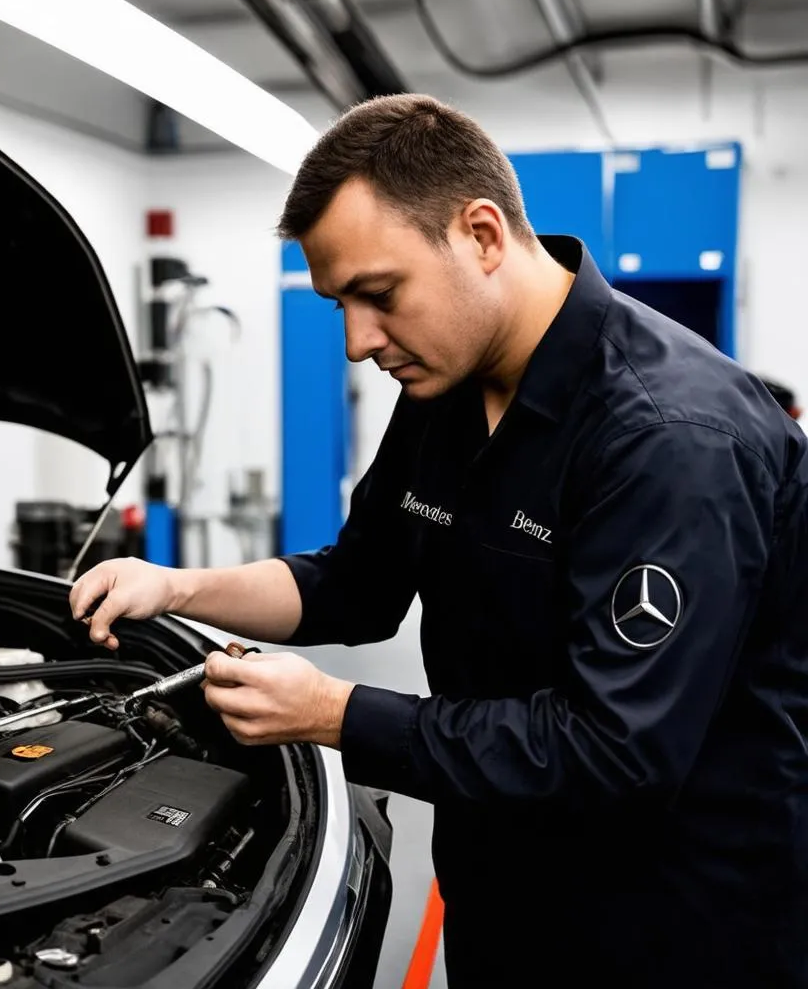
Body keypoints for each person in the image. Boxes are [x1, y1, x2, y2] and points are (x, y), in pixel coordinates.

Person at [70, 94, 808, 987]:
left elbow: (616, 750)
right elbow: (355, 584)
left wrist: (334, 715)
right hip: (505, 891)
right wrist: (176, 587)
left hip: (672, 929)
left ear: (483, 236)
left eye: (378, 296)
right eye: (339, 304)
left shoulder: (671, 438)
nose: (356, 343)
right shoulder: (444, 396)